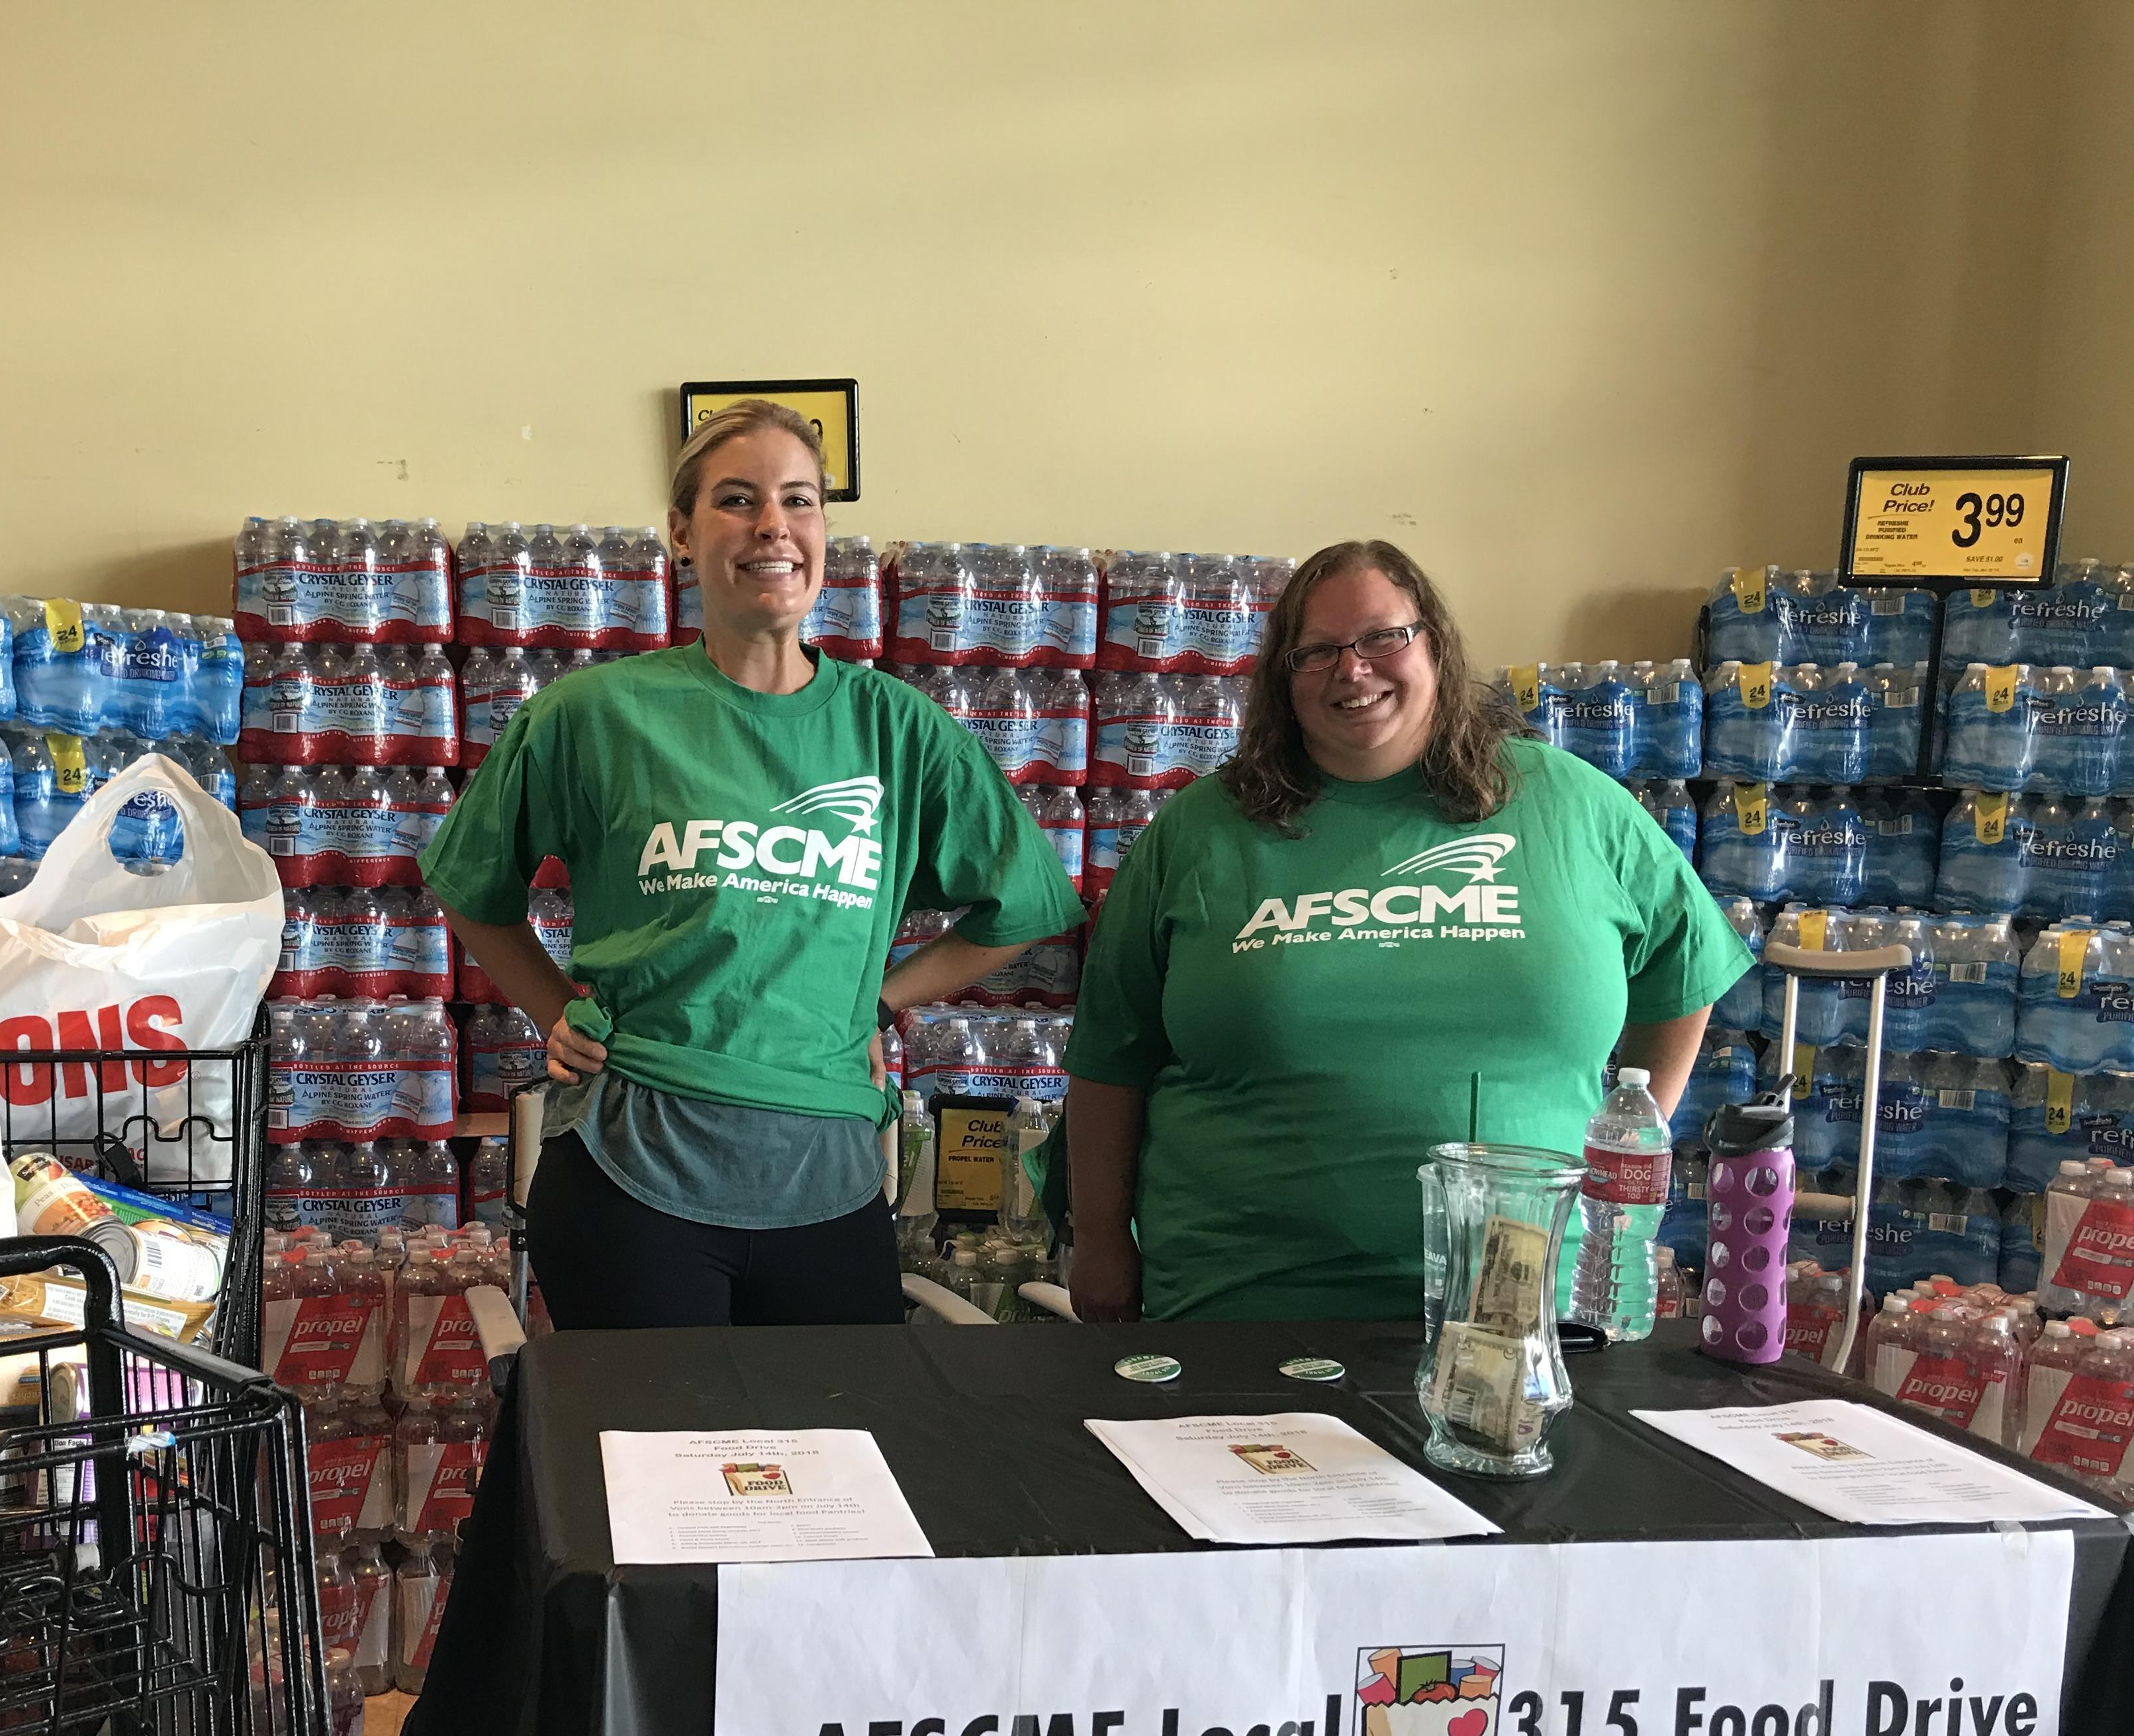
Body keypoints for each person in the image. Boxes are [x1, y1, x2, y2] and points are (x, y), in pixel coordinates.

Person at [422, 399, 1084, 1328]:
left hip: (832, 1173)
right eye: (738, 500)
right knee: (651, 1464)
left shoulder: (899, 729)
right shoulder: (596, 715)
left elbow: (1024, 905)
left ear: (823, 532)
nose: (773, 526)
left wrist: (883, 999)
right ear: (683, 534)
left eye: (799, 501)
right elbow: (471, 886)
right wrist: (555, 1008)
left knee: (834, 1456)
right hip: (633, 1168)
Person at [1062, 539, 1751, 1323]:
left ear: (1437, 645)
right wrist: (1102, 1246)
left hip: (1525, 1316)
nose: (1352, 670)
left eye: (1385, 637)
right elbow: (1110, 1057)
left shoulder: (1574, 806)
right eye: (1314, 651)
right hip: (1246, 1302)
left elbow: (1686, 968)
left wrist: (1631, 1138)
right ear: (1280, 682)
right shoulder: (1201, 831)